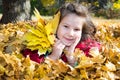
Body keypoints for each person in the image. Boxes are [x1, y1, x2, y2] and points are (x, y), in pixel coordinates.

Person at [22, 2, 100, 67]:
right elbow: (31, 67)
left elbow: (90, 72)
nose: (70, 33)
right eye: (66, 26)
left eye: (76, 29)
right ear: (56, 25)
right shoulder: (40, 43)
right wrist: (53, 56)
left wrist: (71, 58)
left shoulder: (88, 48)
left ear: (82, 31)